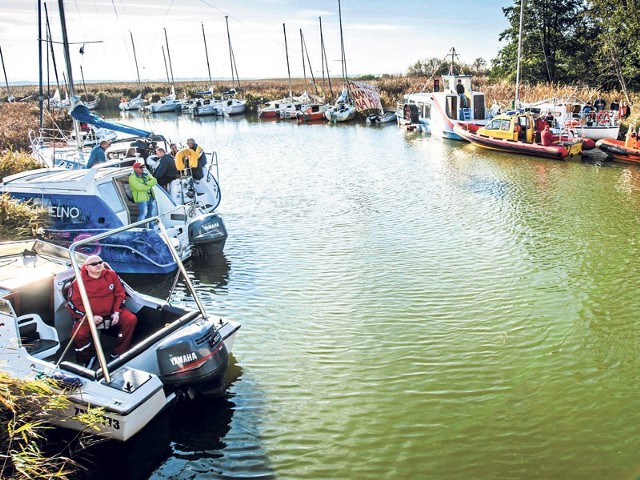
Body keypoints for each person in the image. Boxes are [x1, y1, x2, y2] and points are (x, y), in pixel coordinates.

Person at [66, 255, 137, 367]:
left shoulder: (112, 275)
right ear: (87, 267)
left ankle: (119, 351)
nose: (98, 265)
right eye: (94, 264)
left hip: (112, 312)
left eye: (100, 262)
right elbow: (73, 304)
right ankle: (88, 356)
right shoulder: (77, 283)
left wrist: (117, 312)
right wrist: (90, 316)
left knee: (131, 319)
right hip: (89, 316)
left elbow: (120, 294)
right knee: (78, 334)